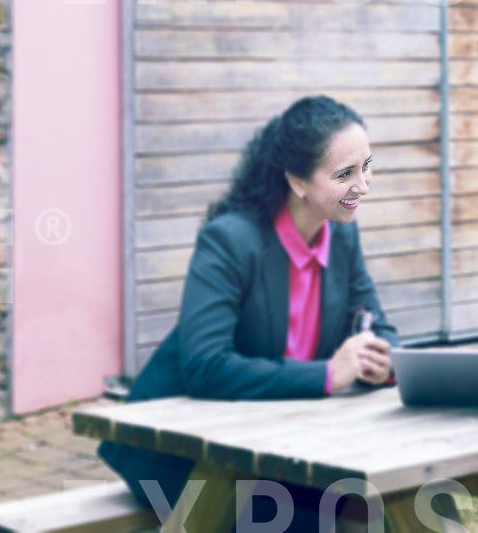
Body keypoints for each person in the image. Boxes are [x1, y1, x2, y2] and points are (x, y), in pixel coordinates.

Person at [99, 95, 397, 529]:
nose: (364, 185)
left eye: (367, 166)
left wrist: (380, 362)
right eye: (345, 174)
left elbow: (380, 327)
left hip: (274, 441)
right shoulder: (230, 241)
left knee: (389, 504)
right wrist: (328, 375)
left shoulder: (341, 238)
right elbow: (205, 365)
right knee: (310, 522)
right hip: (179, 450)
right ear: (297, 181)